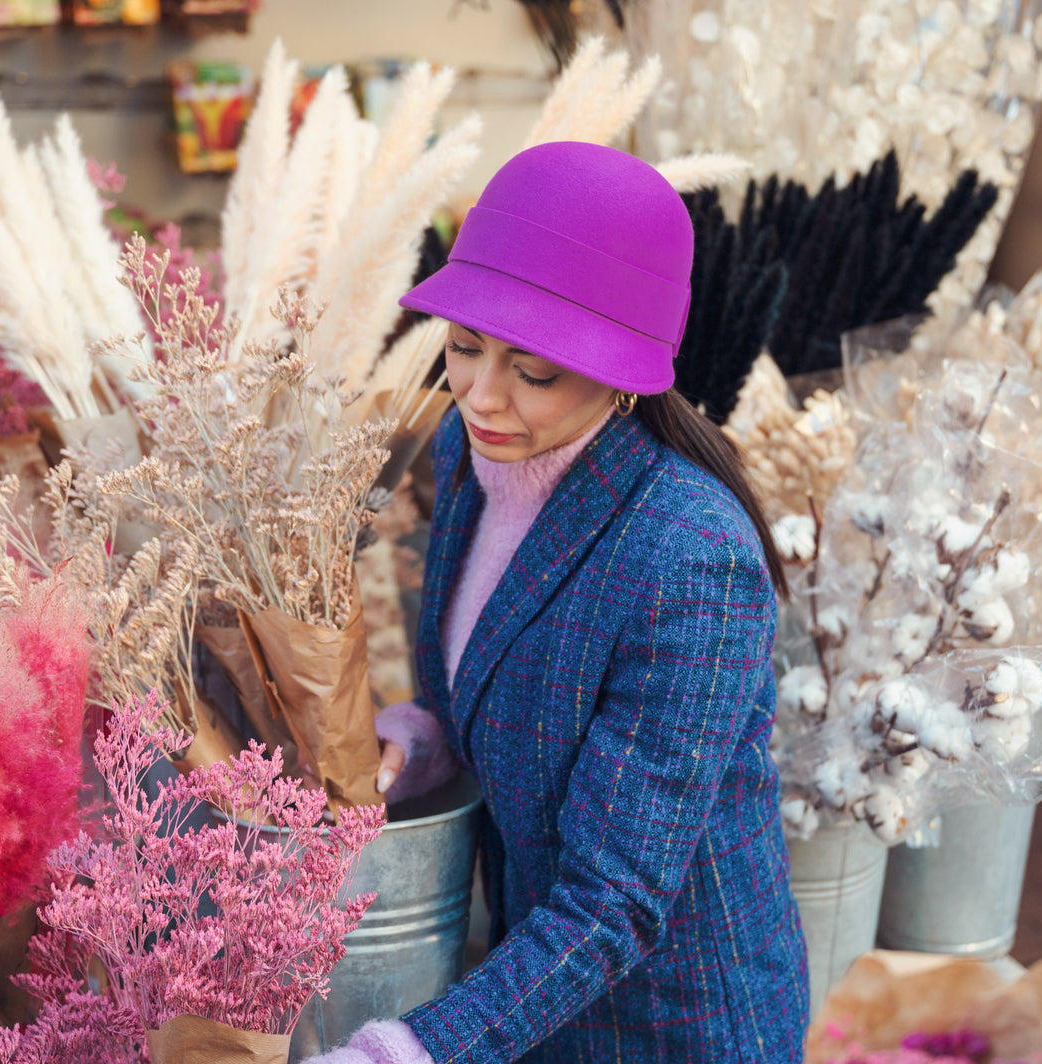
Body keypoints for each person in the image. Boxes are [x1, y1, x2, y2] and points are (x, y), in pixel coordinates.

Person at [306, 141, 807, 1064]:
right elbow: (502, 668)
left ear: (622, 371)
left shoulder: (689, 558)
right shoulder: (469, 458)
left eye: (534, 372)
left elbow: (617, 899)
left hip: (672, 1024)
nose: (484, 396)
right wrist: (431, 734)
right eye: (463, 346)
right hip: (530, 994)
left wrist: (404, 1054)